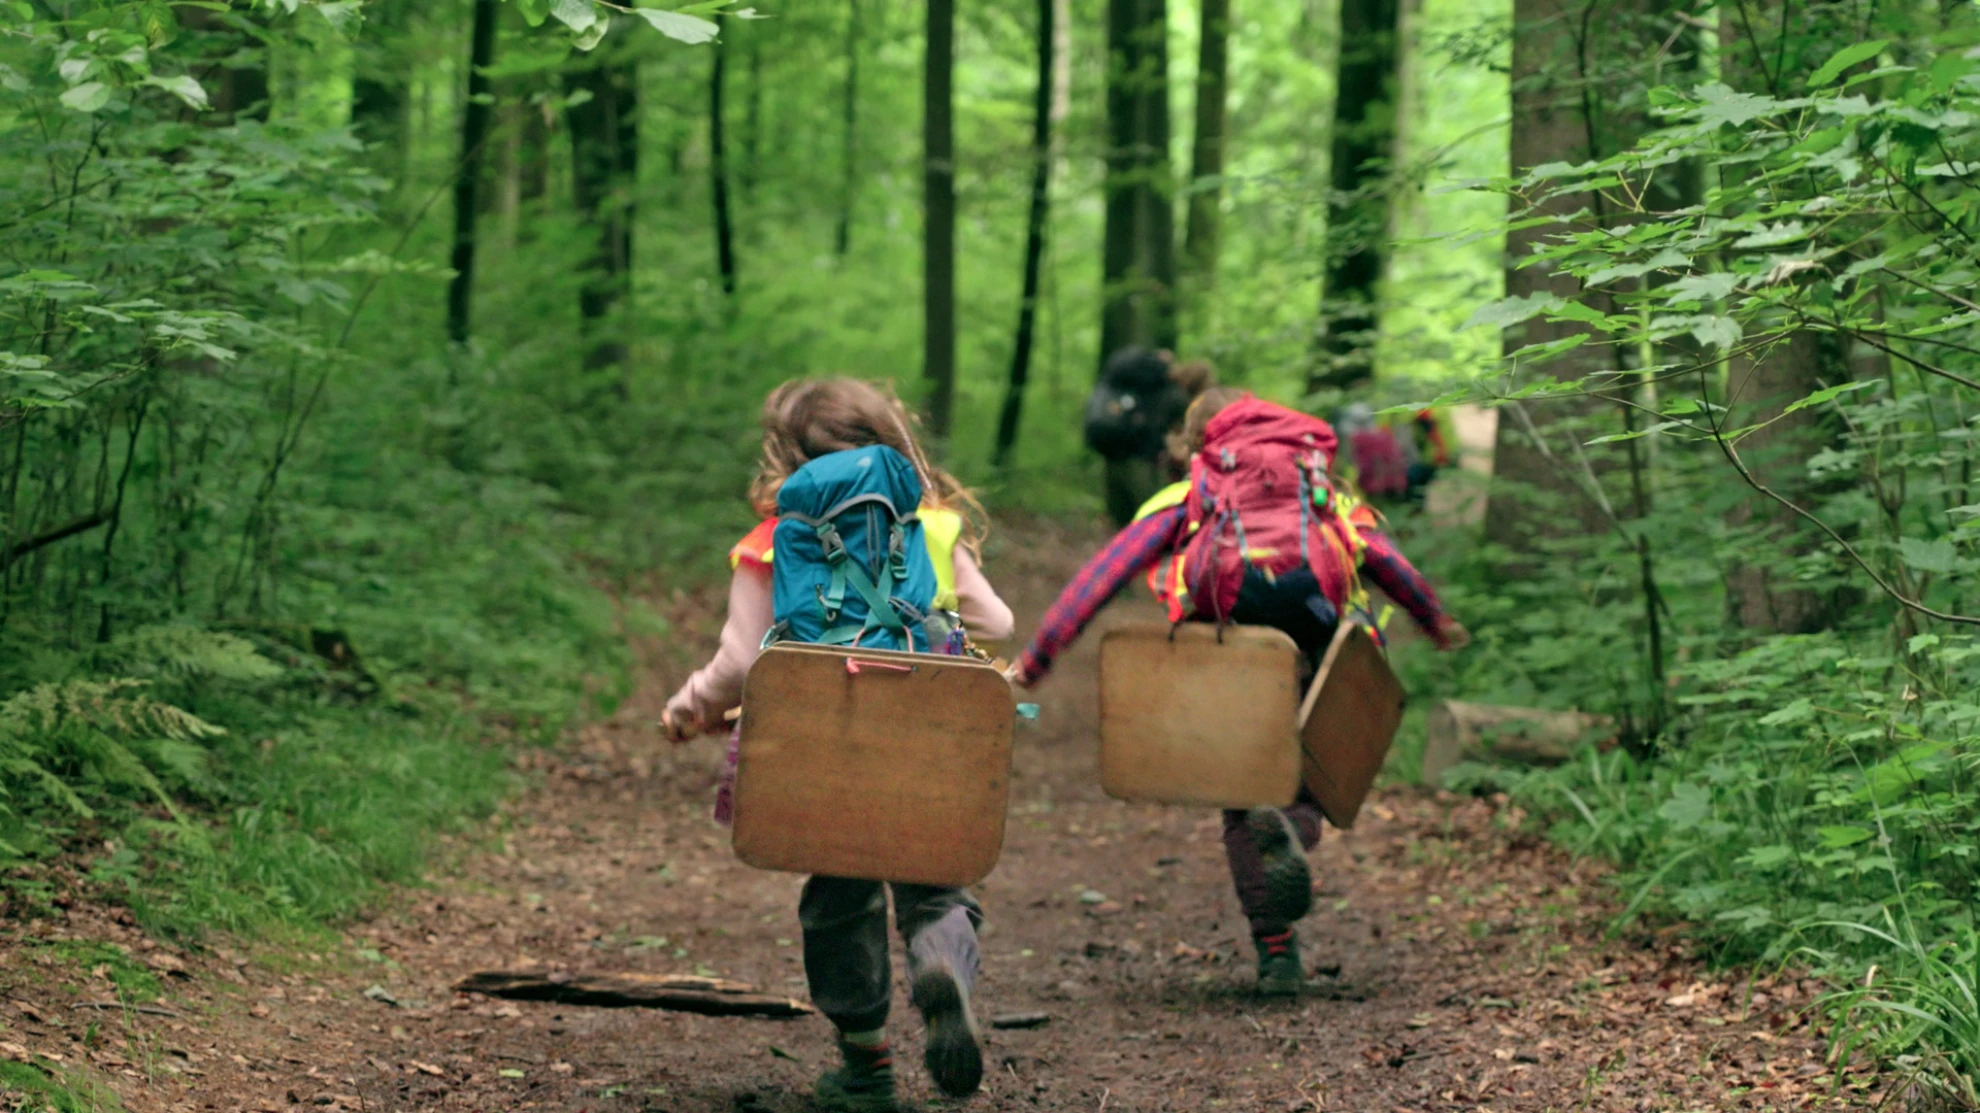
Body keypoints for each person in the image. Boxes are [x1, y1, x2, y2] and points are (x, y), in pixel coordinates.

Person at [1008, 389, 1467, 996]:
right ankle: (1293, 832)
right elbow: (1384, 559)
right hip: (1317, 649)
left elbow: (1107, 570)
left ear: (1197, 444)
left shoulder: (1193, 493)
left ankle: (1277, 953)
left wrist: (1038, 659)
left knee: (1242, 796)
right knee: (1307, 779)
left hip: (1232, 652)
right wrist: (1434, 620)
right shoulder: (1319, 491)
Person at [661, 378, 1015, 1112]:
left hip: (825, 739)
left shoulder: (771, 539)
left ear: (784, 457)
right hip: (924, 727)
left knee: (839, 892)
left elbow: (740, 662)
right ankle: (942, 961)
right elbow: (998, 623)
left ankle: (866, 1066)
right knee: (935, 878)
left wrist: (689, 708)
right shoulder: (930, 524)